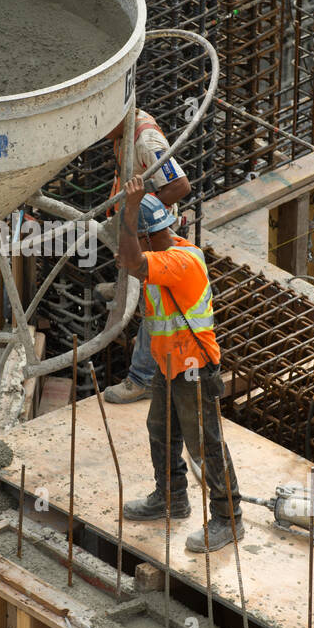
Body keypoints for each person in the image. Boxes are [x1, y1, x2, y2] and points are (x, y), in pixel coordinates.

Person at [114, 174, 243, 553]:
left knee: (205, 444)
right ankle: (171, 498)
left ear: (148, 237)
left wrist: (132, 208)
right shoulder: (166, 252)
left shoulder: (178, 262)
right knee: (161, 428)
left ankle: (228, 519)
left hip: (193, 368)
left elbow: (129, 261)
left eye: (137, 236)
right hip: (168, 365)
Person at [101, 109, 191, 405]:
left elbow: (180, 186)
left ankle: (141, 380)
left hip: (152, 234)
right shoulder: (121, 131)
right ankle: (127, 284)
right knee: (142, 285)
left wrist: (138, 215)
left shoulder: (145, 139)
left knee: (154, 307)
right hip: (140, 229)